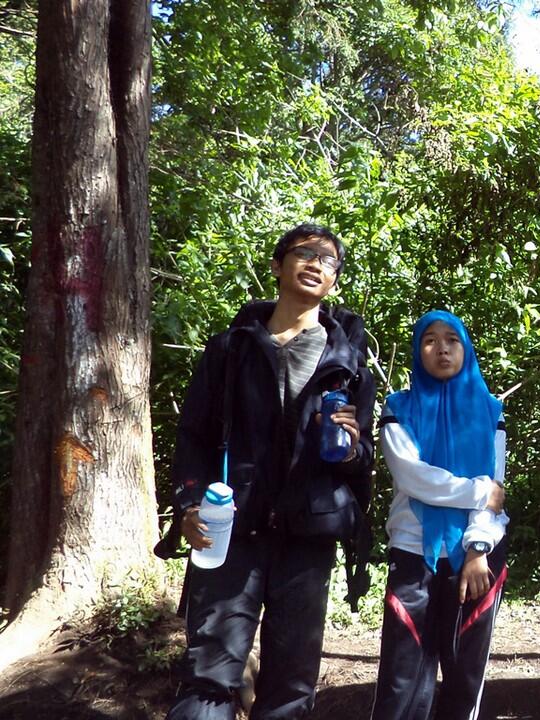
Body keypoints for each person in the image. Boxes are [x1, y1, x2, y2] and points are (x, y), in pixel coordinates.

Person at [167, 223, 375, 719]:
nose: (315, 263)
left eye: (327, 261)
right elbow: (194, 435)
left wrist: (349, 449)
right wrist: (189, 504)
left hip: (308, 537)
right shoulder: (230, 350)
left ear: (333, 282)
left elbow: (362, 461)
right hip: (232, 528)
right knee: (209, 673)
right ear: (279, 266)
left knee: (291, 682)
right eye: (304, 253)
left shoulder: (348, 365)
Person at [369, 310, 509, 720]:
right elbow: (413, 477)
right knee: (403, 676)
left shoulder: (490, 410)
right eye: (430, 340)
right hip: (414, 550)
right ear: (418, 350)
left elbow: (495, 484)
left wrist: (478, 547)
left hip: (477, 555)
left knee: (466, 674)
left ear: (466, 349)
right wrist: (478, 491)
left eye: (452, 339)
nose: (442, 348)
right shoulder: (398, 408)